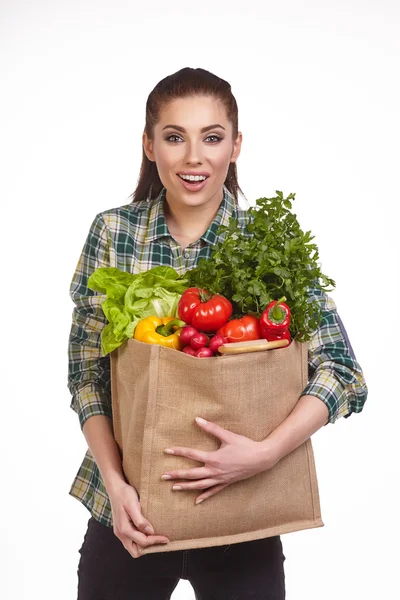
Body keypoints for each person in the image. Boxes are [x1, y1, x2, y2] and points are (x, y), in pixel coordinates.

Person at [67, 67, 368, 599]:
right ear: (149, 145)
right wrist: (116, 487)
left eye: (211, 137)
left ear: (235, 146)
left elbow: (343, 373)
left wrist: (267, 453)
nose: (193, 157)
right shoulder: (113, 232)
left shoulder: (269, 243)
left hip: (242, 515)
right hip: (127, 514)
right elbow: (88, 377)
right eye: (174, 137)